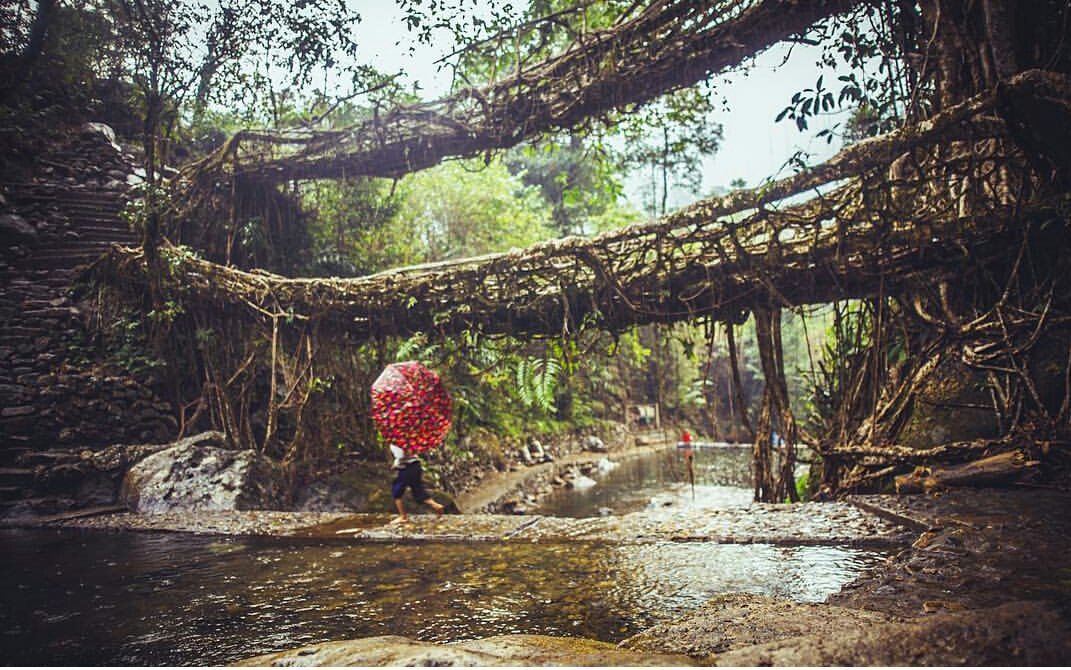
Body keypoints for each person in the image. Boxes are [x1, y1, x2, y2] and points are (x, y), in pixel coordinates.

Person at [389, 443, 444, 524]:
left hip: (407, 468)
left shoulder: (397, 442)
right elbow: (411, 453)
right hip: (416, 466)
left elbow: (402, 456)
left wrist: (396, 463)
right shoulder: (410, 439)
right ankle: (436, 505)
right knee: (418, 490)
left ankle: (402, 516)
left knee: (397, 490)